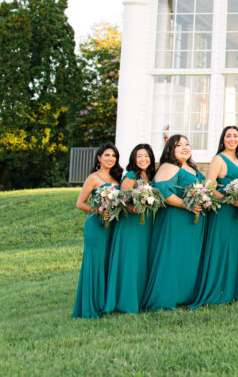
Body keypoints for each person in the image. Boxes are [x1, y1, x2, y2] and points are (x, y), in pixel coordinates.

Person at [141, 135, 205, 311]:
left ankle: (186, 295)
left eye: (187, 144)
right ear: (170, 149)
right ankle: (166, 297)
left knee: (188, 257)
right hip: (174, 220)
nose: (184, 147)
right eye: (179, 145)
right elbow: (162, 192)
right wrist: (187, 205)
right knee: (172, 256)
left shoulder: (192, 168)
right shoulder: (169, 166)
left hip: (193, 223)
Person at [190, 126, 238, 308]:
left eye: (235, 136)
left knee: (231, 248)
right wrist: (231, 201)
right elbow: (209, 187)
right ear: (223, 139)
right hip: (222, 210)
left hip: (235, 213)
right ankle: (214, 290)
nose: (232, 139)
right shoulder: (218, 159)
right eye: (228, 136)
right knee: (219, 248)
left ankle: (228, 291)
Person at [104, 143, 156, 314]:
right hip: (130, 224)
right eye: (139, 156)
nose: (143, 159)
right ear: (134, 158)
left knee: (141, 260)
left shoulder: (149, 176)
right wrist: (135, 208)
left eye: (146, 155)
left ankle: (139, 299)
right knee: (130, 260)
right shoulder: (131, 176)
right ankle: (126, 302)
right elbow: (121, 202)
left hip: (145, 223)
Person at [72, 143, 122, 319]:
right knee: (95, 264)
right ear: (99, 158)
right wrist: (99, 210)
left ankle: (105, 304)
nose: (110, 159)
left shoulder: (118, 179)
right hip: (96, 227)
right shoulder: (93, 178)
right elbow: (80, 203)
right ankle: (90, 307)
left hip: (113, 227)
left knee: (108, 263)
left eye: (114, 156)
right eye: (107, 155)